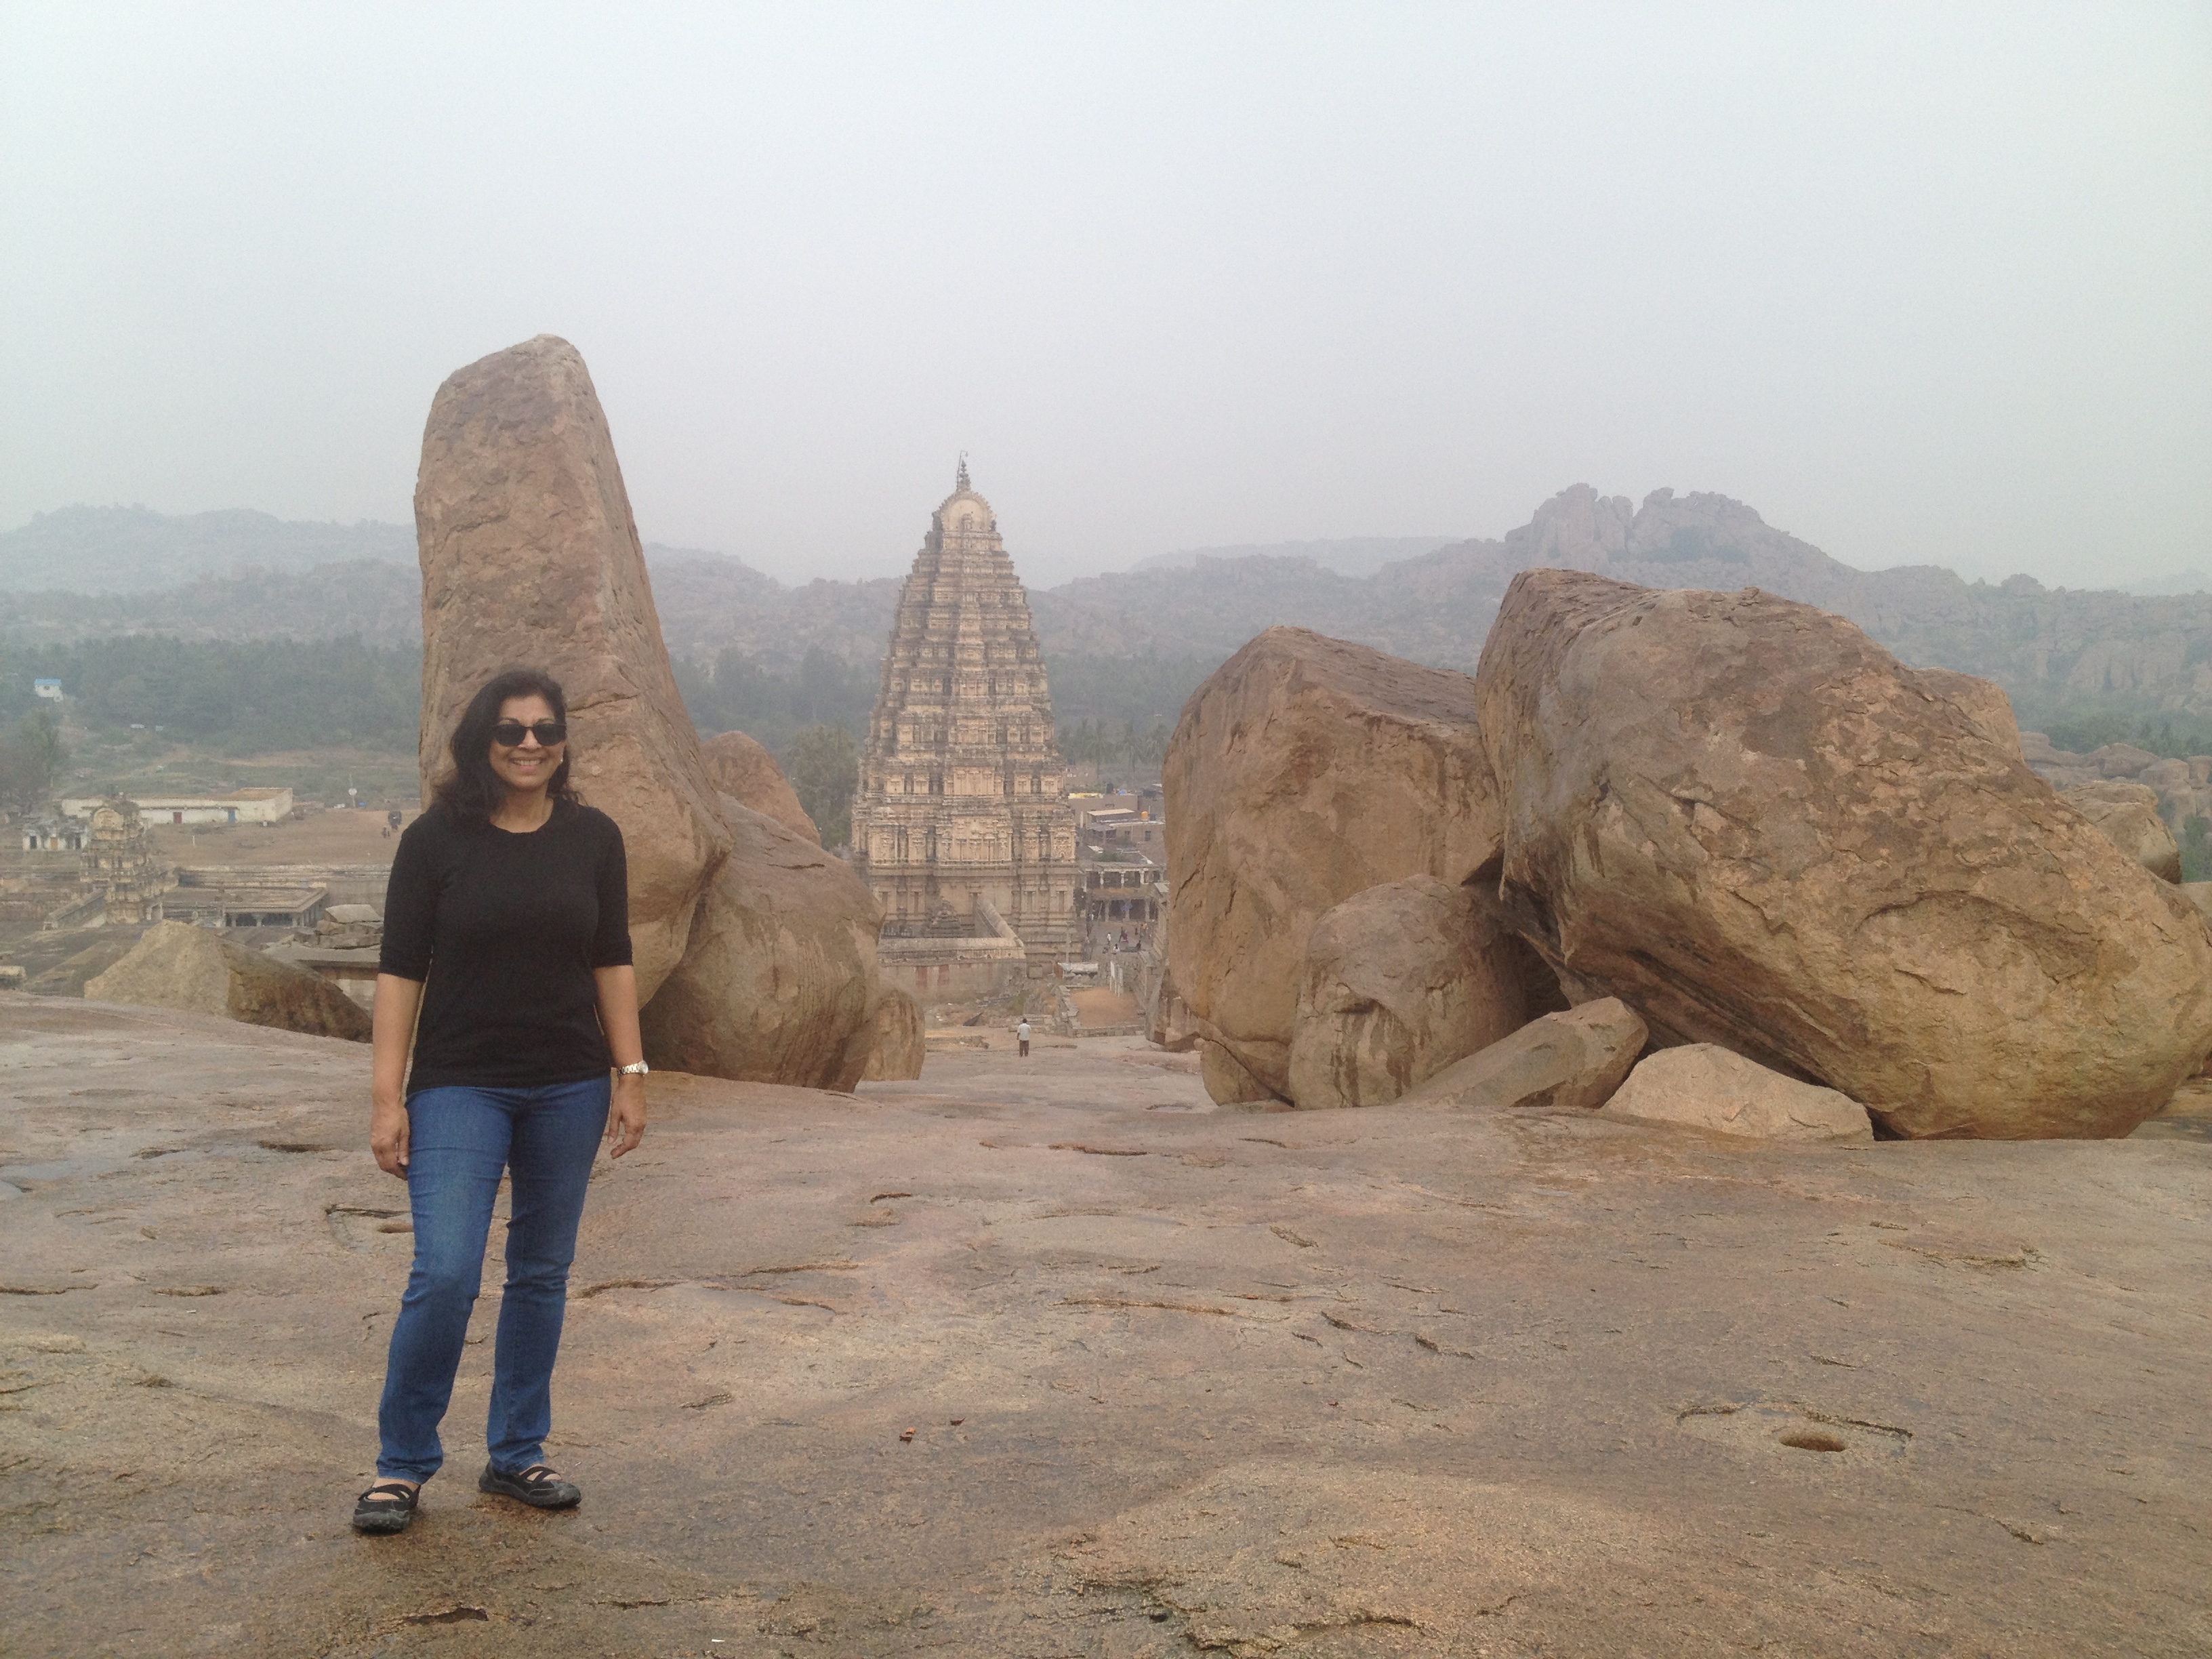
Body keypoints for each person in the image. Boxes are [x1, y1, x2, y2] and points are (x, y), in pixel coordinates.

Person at [350, 668, 649, 1536]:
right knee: (444, 1272)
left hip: (568, 1081)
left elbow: (613, 959)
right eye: (511, 730)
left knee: (541, 1275)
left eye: (545, 731)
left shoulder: (594, 838)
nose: (529, 745)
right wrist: (385, 1100)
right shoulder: (436, 841)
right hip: (459, 1083)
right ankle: (401, 1464)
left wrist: (630, 1076)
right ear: (482, 741)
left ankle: (517, 1453)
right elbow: (400, 973)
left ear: (563, 743)